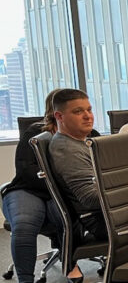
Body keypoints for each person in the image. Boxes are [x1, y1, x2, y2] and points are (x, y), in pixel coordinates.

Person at [1, 89, 83, 283]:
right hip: (28, 189)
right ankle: (25, 279)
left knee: (67, 217)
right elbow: (26, 171)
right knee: (24, 224)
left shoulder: (87, 133)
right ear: (56, 111)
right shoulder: (35, 133)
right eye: (76, 110)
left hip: (61, 193)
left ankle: (69, 262)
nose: (84, 115)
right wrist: (59, 185)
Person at [47, 90, 104, 243]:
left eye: (89, 110)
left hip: (110, 213)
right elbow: (91, 198)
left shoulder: (82, 142)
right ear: (59, 116)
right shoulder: (67, 149)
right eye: (78, 111)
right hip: (102, 220)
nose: (88, 116)